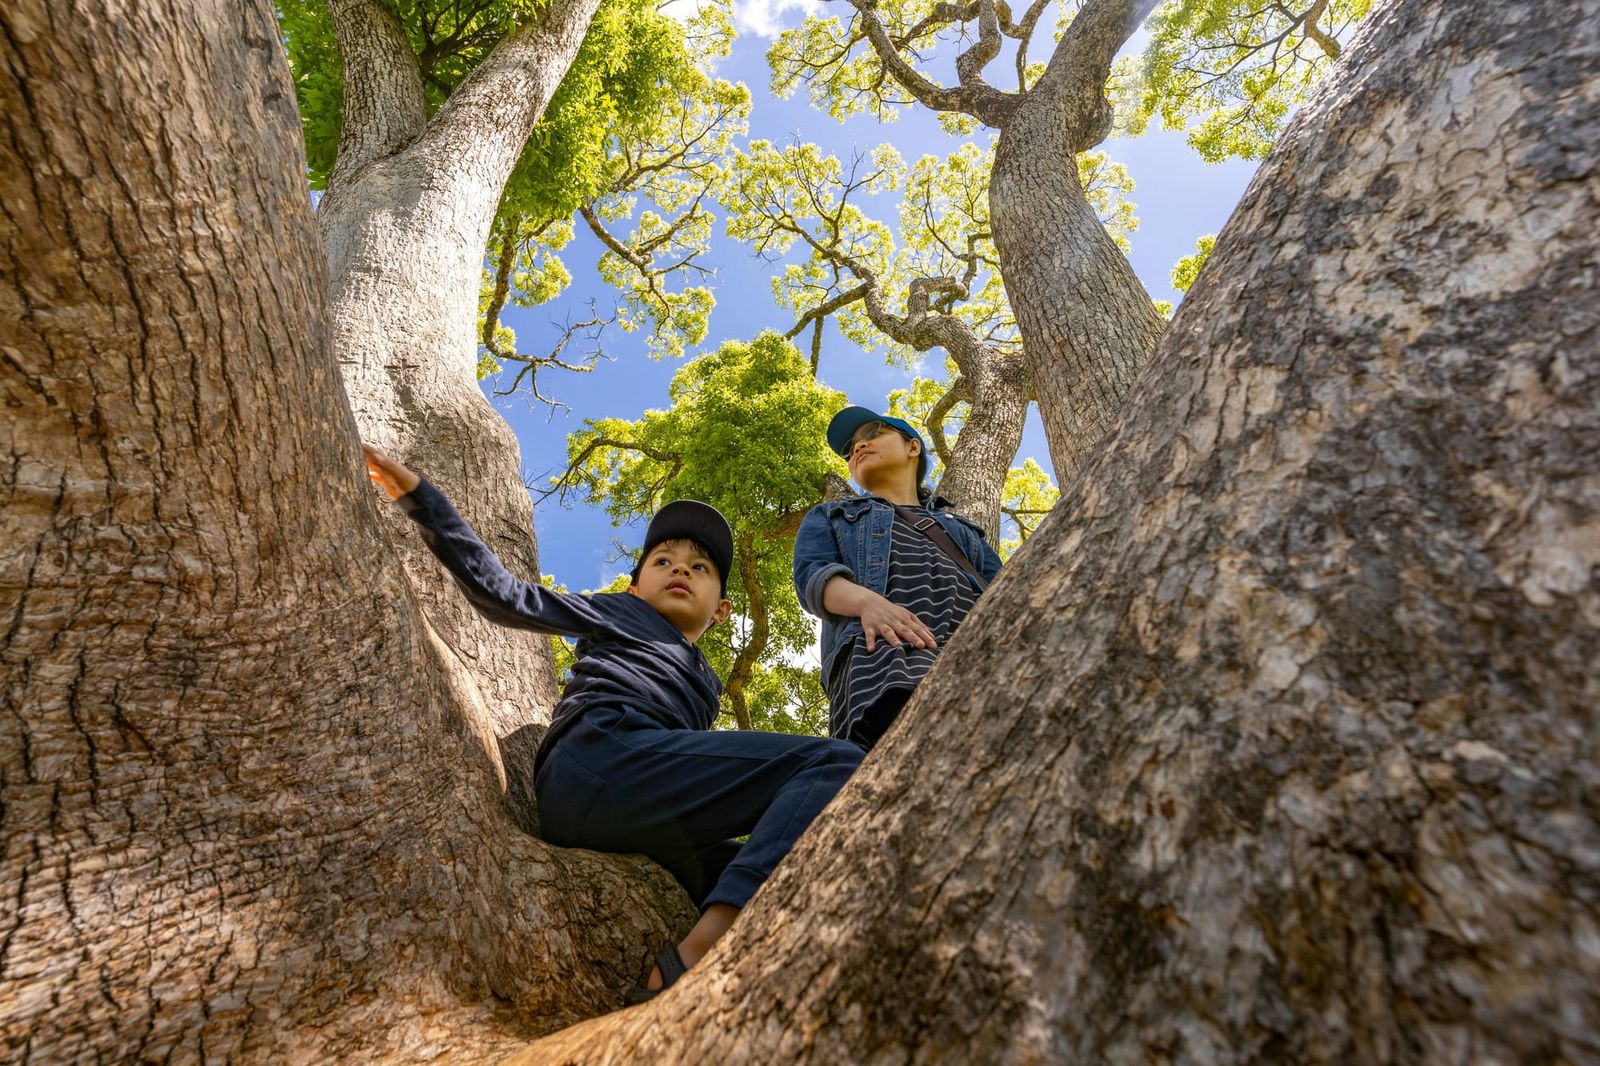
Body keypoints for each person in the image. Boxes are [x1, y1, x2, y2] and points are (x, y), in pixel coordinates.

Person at [363, 444, 863, 1003]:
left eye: (700, 568)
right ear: (634, 585)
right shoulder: (622, 612)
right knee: (834, 761)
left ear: (722, 607)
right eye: (663, 561)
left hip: (635, 807)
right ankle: (701, 954)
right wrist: (421, 498)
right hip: (599, 756)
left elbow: (696, 772)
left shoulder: (707, 683)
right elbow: (505, 596)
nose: (681, 569)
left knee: (757, 857)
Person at [792, 407, 1002, 751]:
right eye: (850, 449)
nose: (858, 447)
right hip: (882, 663)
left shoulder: (962, 530)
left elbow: (1005, 590)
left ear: (912, 447)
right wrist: (867, 603)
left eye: (873, 433)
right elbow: (812, 577)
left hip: (981, 661)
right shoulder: (832, 515)